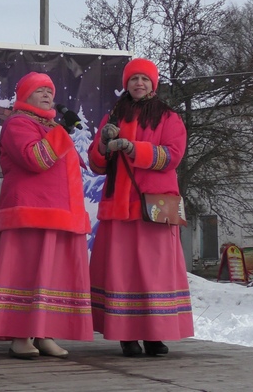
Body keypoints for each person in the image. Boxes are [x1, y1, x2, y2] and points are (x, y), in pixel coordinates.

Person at [0, 72, 93, 359]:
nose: (47, 95)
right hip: (32, 212)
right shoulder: (18, 123)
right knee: (28, 273)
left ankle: (44, 334)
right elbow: (36, 159)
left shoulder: (50, 125)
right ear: (25, 96)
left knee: (51, 276)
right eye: (39, 90)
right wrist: (61, 133)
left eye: (49, 90)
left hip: (58, 213)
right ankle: (20, 337)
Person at [87, 57, 193, 357]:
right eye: (134, 79)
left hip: (153, 208)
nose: (139, 84)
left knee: (153, 273)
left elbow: (173, 155)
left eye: (145, 79)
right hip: (120, 207)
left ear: (153, 84)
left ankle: (155, 335)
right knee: (125, 273)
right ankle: (127, 334)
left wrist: (135, 149)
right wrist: (104, 147)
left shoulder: (169, 117)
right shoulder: (112, 116)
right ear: (126, 84)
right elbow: (96, 164)